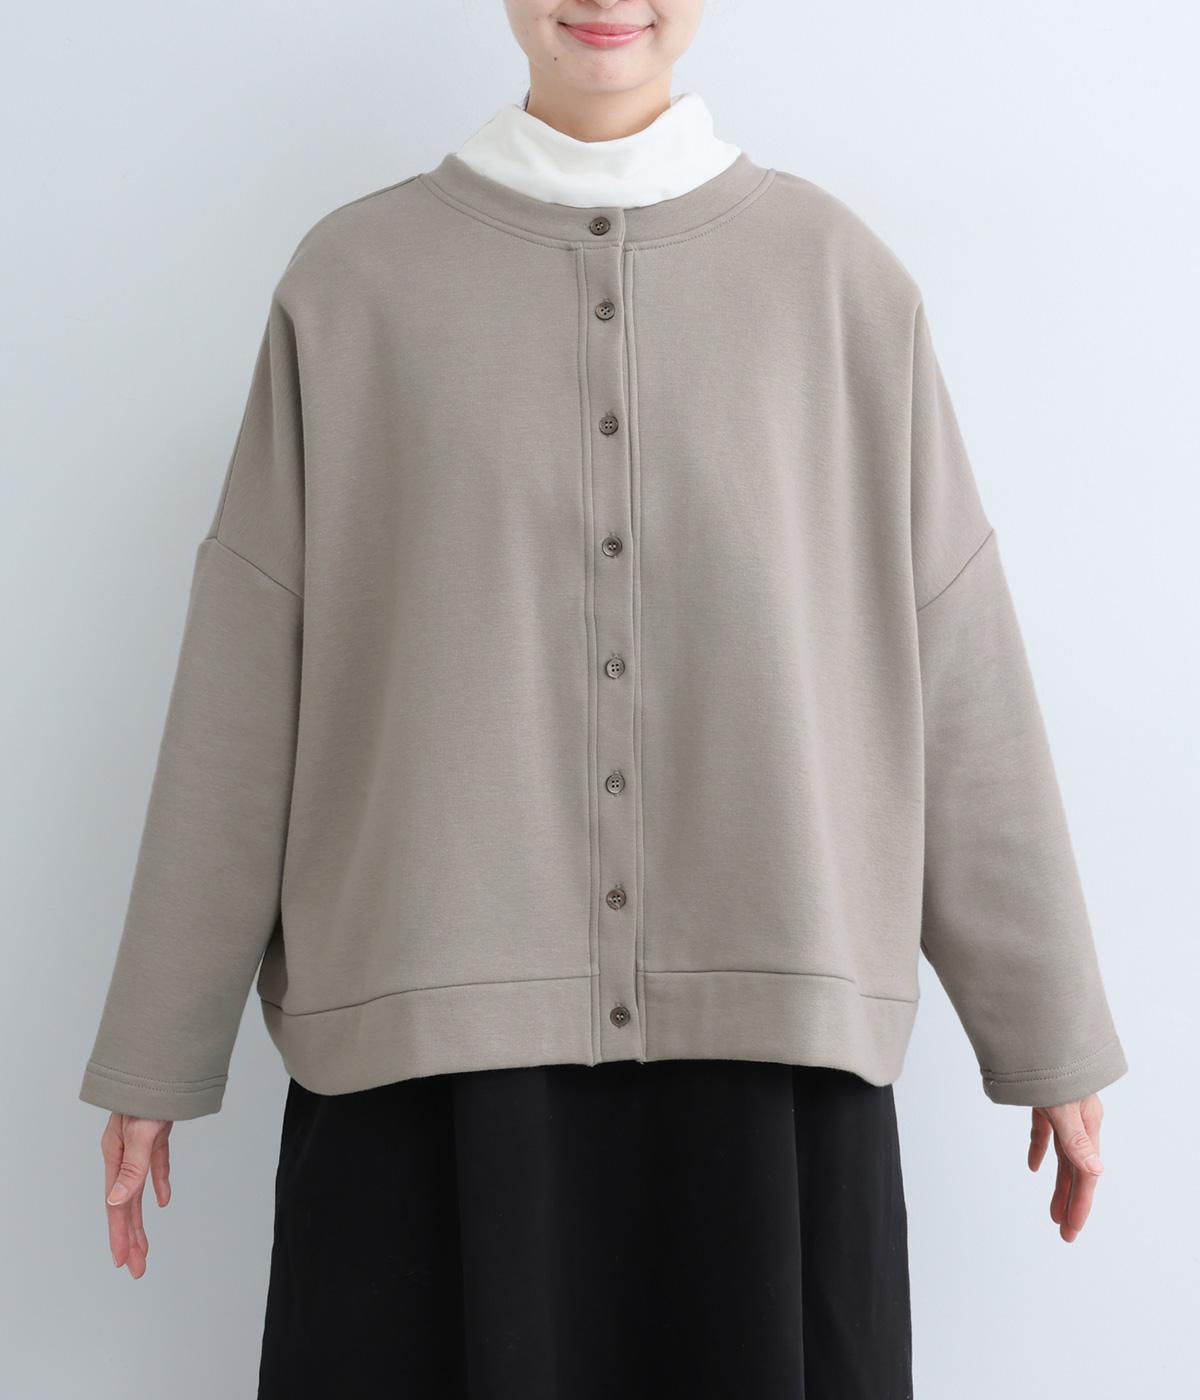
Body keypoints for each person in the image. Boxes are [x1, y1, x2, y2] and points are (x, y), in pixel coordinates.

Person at [81, 4, 1128, 1396]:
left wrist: (1047, 1032)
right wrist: (157, 1050)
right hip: (425, 1093)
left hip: (772, 1084)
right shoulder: (354, 289)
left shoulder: (840, 286)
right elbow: (245, 670)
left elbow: (958, 652)